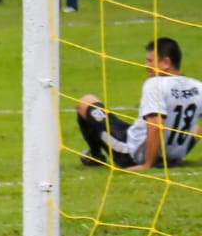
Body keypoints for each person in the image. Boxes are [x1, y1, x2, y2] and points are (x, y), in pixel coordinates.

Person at [77, 37, 202, 170]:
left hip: (133, 155)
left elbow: (155, 125)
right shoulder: (198, 86)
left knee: (86, 102)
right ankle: (166, 155)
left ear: (166, 62)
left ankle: (95, 156)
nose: (146, 66)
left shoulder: (155, 84)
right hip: (173, 157)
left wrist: (147, 165)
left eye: (150, 61)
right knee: (195, 129)